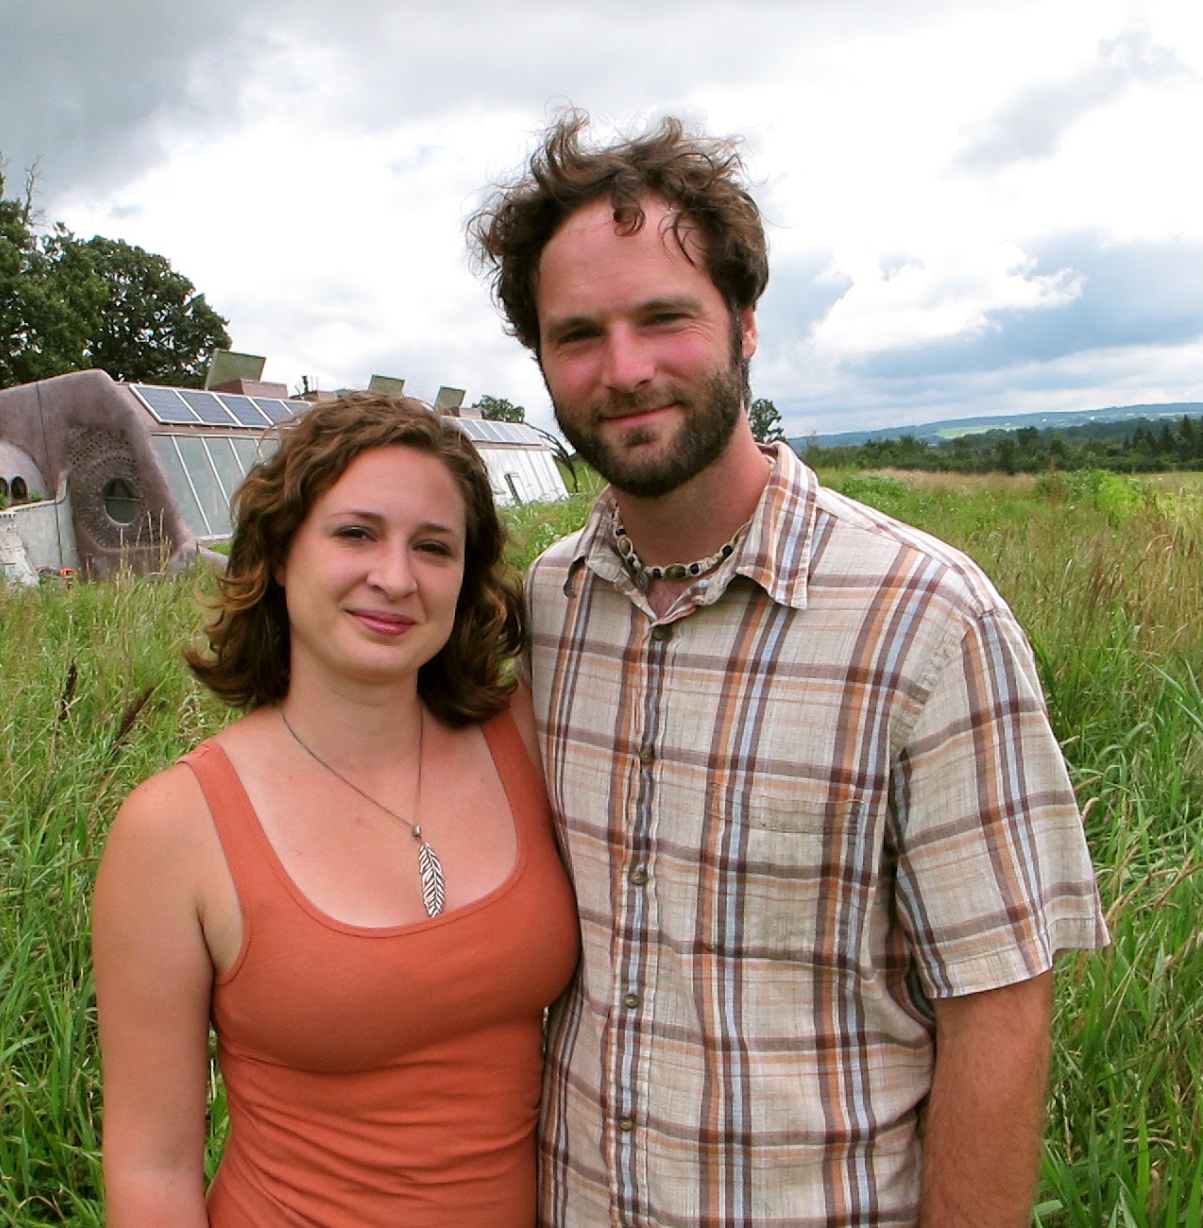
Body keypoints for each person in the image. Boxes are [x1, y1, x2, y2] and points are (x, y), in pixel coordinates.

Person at [470, 112, 1108, 1226]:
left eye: (664, 318)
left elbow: (999, 1010)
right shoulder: (545, 609)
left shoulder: (925, 619)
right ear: (540, 359)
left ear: (745, 325)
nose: (623, 370)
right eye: (578, 335)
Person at [92, 391, 580, 1226]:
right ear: (280, 555)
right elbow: (151, 1165)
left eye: (433, 546)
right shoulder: (176, 829)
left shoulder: (529, 743)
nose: (394, 577)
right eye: (355, 533)